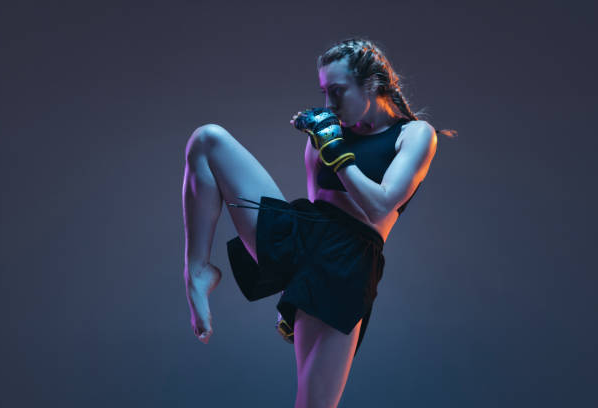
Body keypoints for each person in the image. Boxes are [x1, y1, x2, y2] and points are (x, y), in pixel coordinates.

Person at [182, 37, 457, 408]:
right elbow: (317, 207)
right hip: (305, 237)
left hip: (346, 265)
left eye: (339, 91)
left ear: (373, 85)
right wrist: (292, 287)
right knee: (207, 140)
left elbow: (379, 207)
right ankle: (197, 271)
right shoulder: (329, 133)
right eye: (325, 92)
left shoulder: (414, 135)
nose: (329, 104)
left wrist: (335, 150)